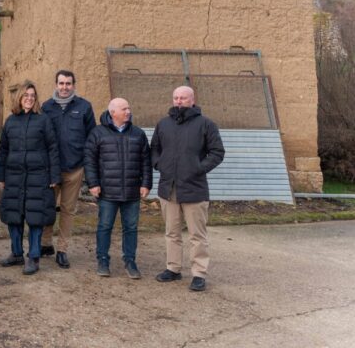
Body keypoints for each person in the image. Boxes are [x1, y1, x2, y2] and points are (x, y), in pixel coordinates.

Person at [151, 85, 225, 292]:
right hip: (169, 188)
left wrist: (199, 168)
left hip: (194, 188)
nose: (178, 101)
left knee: (197, 235)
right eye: (175, 97)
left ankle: (199, 273)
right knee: (171, 232)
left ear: (192, 100)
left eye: (183, 98)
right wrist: (159, 164)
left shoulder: (206, 124)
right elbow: (154, 148)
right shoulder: (163, 124)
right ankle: (173, 268)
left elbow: (217, 152)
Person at [0, 81, 60, 275]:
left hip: (38, 176)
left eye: (32, 95)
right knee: (14, 218)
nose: (30, 99)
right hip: (14, 176)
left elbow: (52, 148)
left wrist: (54, 175)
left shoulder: (43, 120)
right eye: (26, 95)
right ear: (19, 98)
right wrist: (0, 175)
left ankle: (33, 257)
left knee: (35, 218)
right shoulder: (10, 121)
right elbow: (3, 150)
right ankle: (16, 254)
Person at [84, 98, 152, 279]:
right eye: (124, 109)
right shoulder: (98, 133)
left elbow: (146, 161)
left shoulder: (138, 134)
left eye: (129, 108)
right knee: (105, 226)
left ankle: (130, 261)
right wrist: (93, 183)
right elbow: (89, 160)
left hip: (132, 191)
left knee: (131, 228)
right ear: (113, 112)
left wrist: (146, 183)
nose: (128, 111)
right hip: (107, 192)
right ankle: (103, 260)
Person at [40, 70, 96, 268]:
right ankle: (45, 244)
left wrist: (87, 167)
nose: (64, 87)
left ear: (74, 85)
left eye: (68, 83)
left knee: (67, 210)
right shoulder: (46, 107)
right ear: (56, 84)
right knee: (47, 207)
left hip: (75, 169)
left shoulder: (84, 107)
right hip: (51, 169)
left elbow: (92, 139)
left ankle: (62, 249)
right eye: (61, 83)